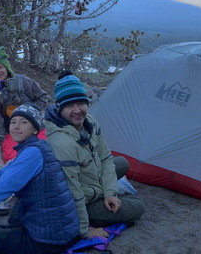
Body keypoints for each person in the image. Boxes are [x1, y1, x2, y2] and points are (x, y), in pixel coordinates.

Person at [0, 105, 80, 254]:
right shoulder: (30, 149)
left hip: (47, 240)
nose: (16, 126)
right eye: (13, 122)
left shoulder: (33, 153)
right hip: (54, 230)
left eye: (23, 122)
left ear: (35, 129)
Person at [45, 74, 145, 239]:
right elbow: (72, 191)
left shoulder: (89, 122)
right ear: (60, 109)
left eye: (81, 104)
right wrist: (83, 230)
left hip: (88, 176)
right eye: (70, 106)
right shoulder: (61, 142)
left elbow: (105, 158)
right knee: (137, 207)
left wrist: (110, 193)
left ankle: (103, 190)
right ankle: (92, 212)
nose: (77, 110)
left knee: (122, 163)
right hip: (73, 200)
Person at [0, 47, 50, 162]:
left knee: (40, 152)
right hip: (13, 130)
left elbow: (43, 97)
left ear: (7, 68)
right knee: (11, 156)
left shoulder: (23, 81)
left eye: (1, 67)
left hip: (34, 127)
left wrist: (29, 111)